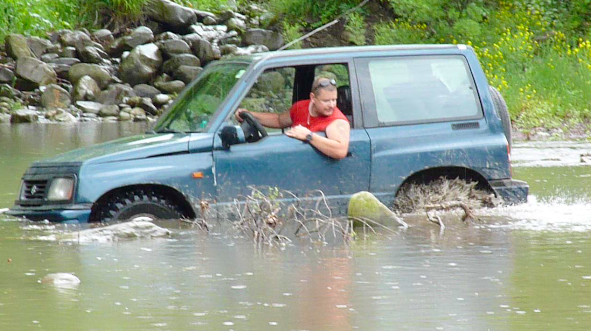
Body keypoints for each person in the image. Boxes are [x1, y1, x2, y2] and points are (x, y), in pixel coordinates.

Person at [235, 77, 350, 159]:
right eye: (326, 101)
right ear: (313, 98)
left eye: (334, 100)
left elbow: (340, 150)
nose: (332, 105)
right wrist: (250, 114)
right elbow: (279, 120)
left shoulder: (337, 121)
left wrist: (309, 136)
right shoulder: (300, 107)